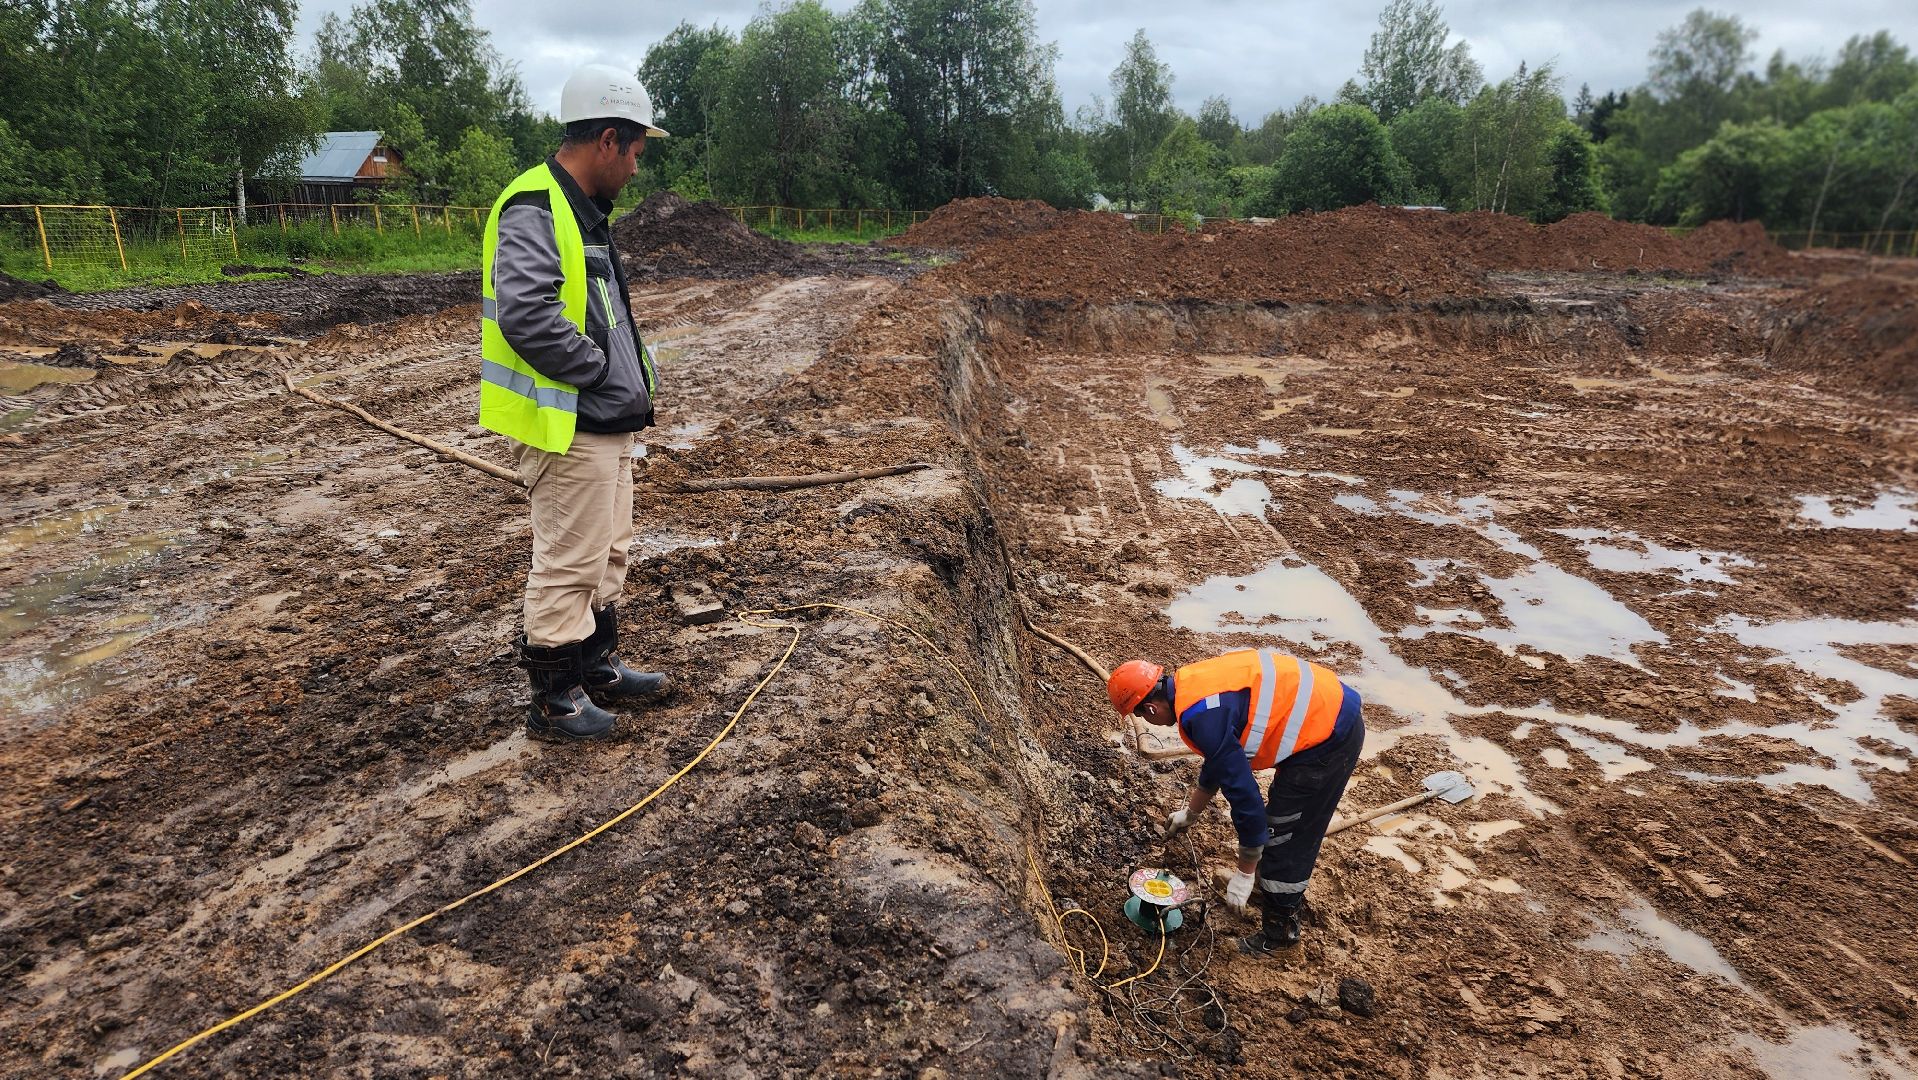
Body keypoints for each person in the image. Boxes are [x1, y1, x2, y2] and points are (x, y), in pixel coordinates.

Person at [479, 63, 672, 740]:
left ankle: (597, 665)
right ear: (608, 140)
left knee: (607, 552)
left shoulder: (583, 210)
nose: (637, 168)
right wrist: (598, 371)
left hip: (605, 421)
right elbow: (526, 313)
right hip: (570, 423)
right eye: (636, 151)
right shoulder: (535, 204)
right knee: (569, 560)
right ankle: (555, 700)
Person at [1106, 648, 1365, 954]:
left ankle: (1280, 938)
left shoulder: (1203, 717)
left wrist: (1244, 873)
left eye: (1140, 715)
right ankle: (1266, 888)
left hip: (1330, 735)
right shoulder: (1190, 686)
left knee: (1285, 833)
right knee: (1280, 819)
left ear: (1150, 708)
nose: (1148, 721)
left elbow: (1245, 799)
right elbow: (1220, 758)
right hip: (1327, 707)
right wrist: (1191, 812)